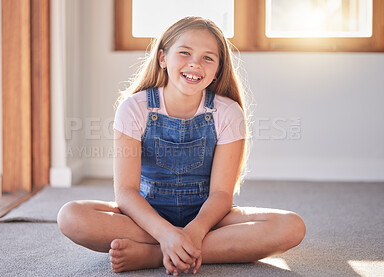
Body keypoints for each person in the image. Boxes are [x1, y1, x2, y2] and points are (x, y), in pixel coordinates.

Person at [57, 17, 305, 276]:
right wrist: (165, 232)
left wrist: (195, 231)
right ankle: (173, 245)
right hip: (146, 218)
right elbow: (126, 193)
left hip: (207, 219)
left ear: (218, 70)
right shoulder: (134, 108)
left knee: (291, 226)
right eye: (185, 52)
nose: (195, 63)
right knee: (71, 216)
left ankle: (154, 255)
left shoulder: (228, 112)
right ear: (163, 58)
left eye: (208, 58)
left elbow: (221, 195)